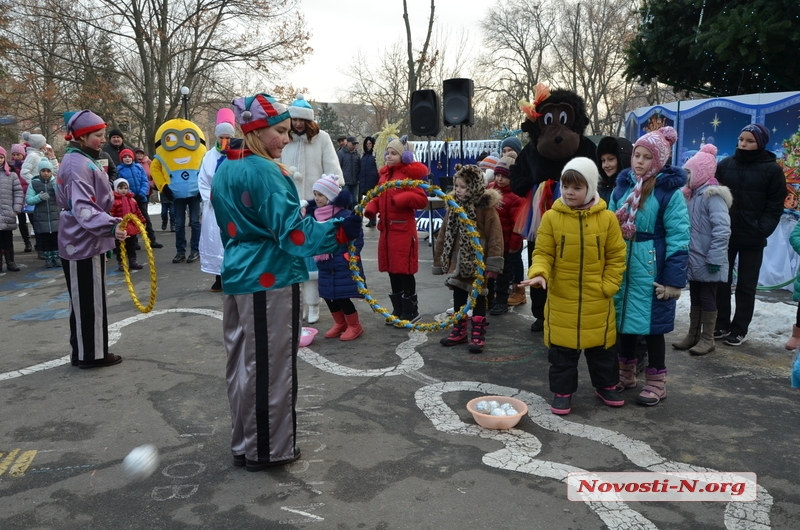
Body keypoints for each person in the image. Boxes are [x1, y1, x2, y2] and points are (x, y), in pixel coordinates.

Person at [210, 93, 362, 470]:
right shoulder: (265, 172)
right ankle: (268, 448)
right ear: (258, 132)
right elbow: (293, 235)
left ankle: (247, 443)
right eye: (279, 131)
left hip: (238, 273)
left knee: (244, 364)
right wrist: (339, 230)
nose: (287, 138)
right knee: (270, 365)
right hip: (268, 279)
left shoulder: (227, 166)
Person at [520, 158, 627, 414]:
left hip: (597, 299)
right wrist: (539, 273)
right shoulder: (551, 219)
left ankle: (606, 385)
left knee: (602, 351)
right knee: (562, 353)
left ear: (590, 188)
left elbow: (616, 256)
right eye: (566, 186)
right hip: (562, 298)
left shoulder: (608, 219)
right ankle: (562, 392)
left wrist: (609, 286)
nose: (569, 192)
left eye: (577, 188)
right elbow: (543, 253)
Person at [608, 126, 690, 406]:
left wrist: (673, 280)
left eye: (646, 157)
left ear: (658, 161)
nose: (639, 162)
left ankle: (656, 381)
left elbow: (679, 238)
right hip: (624, 266)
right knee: (624, 323)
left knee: (654, 327)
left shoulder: (669, 193)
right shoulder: (622, 188)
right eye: (636, 155)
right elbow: (609, 225)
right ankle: (626, 373)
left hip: (652, 268)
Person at [58, 110, 128, 368]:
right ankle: (93, 354)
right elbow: (83, 207)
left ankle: (83, 351)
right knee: (89, 299)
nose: (102, 139)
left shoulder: (80, 159)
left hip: (81, 237)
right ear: (83, 136)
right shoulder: (78, 164)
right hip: (83, 238)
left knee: (82, 297)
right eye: (98, 135)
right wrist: (111, 226)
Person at [714, 124, 786, 346]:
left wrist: (761, 229)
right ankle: (721, 323)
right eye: (741, 139)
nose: (743, 144)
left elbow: (775, 206)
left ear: (760, 143)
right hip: (725, 234)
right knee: (721, 282)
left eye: (749, 141)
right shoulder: (725, 165)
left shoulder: (772, 170)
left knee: (746, 285)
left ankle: (739, 328)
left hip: (753, 236)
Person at [279, 94, 344, 323]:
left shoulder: (322, 138)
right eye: (294, 119)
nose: (297, 124)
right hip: (289, 205)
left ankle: (313, 305)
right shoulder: (284, 138)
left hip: (316, 205)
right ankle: (298, 307)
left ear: (309, 121)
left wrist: (330, 195)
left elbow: (333, 169)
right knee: (292, 257)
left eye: (301, 120)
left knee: (313, 260)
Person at [434, 165, 504, 353]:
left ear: (473, 187)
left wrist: (493, 263)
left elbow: (495, 236)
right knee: (458, 295)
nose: (458, 190)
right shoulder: (454, 207)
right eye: (456, 186)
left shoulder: (485, 209)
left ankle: (478, 333)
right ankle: (459, 330)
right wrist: (440, 260)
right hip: (458, 262)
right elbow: (443, 234)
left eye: (463, 187)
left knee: (479, 297)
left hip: (477, 263)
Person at [670, 144, 732, 356]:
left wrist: (715, 257)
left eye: (690, 173)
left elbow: (722, 229)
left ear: (702, 172)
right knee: (696, 297)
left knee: (707, 298)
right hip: (695, 258)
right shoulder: (692, 195)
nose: (686, 177)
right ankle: (693, 335)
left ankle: (708, 338)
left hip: (709, 260)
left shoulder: (712, 195)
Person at [364, 136, 429, 323]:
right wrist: (372, 207)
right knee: (392, 270)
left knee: (404, 271)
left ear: (405, 156)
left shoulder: (409, 176)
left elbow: (421, 200)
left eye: (394, 153)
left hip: (403, 231)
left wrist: (402, 199)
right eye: (388, 153)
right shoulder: (385, 176)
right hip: (387, 231)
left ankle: (411, 310)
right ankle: (398, 309)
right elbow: (378, 196)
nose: (389, 156)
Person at [311, 174, 366, 341]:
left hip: (342, 262)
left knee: (342, 296)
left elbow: (357, 237)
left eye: (320, 195)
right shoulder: (317, 215)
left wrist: (351, 255)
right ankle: (340, 322)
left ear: (330, 196)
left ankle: (355, 326)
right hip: (325, 263)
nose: (316, 199)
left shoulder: (346, 215)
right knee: (328, 295)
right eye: (315, 195)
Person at [199, 108, 235, 292]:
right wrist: (211, 198)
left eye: (228, 137)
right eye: (222, 137)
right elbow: (203, 181)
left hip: (233, 206)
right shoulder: (209, 157)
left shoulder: (238, 155)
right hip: (214, 206)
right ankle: (218, 277)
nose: (224, 141)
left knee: (232, 239)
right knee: (215, 240)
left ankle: (233, 274)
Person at [487, 156, 524, 316]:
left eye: (504, 176)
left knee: (503, 274)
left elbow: (518, 225)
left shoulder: (515, 197)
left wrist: (514, 246)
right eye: (498, 175)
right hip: (489, 242)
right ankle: (489, 298)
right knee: (488, 272)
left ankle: (501, 301)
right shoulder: (489, 190)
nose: (500, 179)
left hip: (505, 243)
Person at [117, 148, 163, 249]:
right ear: (122, 159)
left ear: (132, 158)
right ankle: (134, 242)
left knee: (145, 219)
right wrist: (131, 195)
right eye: (125, 157)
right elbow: (121, 185)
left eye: (129, 156)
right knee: (132, 220)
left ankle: (152, 240)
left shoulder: (138, 167)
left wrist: (142, 193)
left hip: (141, 197)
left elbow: (144, 181)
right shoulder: (120, 170)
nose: (127, 159)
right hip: (129, 199)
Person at [25, 158, 60, 268]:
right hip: (41, 217)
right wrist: (39, 197)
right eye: (43, 171)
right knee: (45, 240)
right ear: (39, 171)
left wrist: (56, 188)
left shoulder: (55, 181)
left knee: (56, 238)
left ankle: (57, 257)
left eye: (48, 171)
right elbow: (29, 200)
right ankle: (48, 258)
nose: (46, 173)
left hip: (55, 216)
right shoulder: (34, 183)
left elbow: (62, 198)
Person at [110, 178, 146, 271]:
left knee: (131, 246)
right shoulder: (114, 201)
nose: (123, 190)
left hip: (131, 228)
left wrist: (142, 221)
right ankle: (121, 263)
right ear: (116, 188)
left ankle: (132, 261)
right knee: (120, 247)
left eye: (125, 188)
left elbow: (137, 212)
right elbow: (111, 214)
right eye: (121, 188)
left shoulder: (132, 200)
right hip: (120, 228)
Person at [0, 147, 23, 271]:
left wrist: (16, 209)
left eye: (1, 157)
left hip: (8, 212)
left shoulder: (12, 175)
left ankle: (10, 262)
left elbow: (18, 193)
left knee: (8, 239)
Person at [595, 136, 633, 204]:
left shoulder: (633, 187)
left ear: (623, 159)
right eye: (603, 160)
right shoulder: (600, 188)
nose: (606, 165)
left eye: (611, 159)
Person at [10, 143, 32, 253]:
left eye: (18, 154)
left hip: (28, 195)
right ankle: (27, 242)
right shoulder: (11, 167)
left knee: (33, 219)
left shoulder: (27, 165)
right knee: (22, 221)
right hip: (17, 197)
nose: (16, 157)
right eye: (14, 154)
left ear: (23, 154)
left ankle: (39, 243)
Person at [358, 136, 379, 227]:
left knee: (372, 201)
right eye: (367, 144)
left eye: (370, 144)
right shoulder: (365, 155)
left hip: (373, 182)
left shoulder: (376, 155)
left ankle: (373, 220)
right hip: (365, 182)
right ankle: (371, 219)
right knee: (368, 202)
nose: (368, 145)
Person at [337, 136, 361, 200]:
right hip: (345, 182)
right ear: (347, 143)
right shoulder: (340, 153)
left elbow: (359, 167)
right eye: (352, 144)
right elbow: (338, 167)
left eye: (355, 144)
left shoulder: (357, 154)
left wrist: (358, 178)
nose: (354, 145)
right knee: (346, 200)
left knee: (355, 201)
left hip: (355, 182)